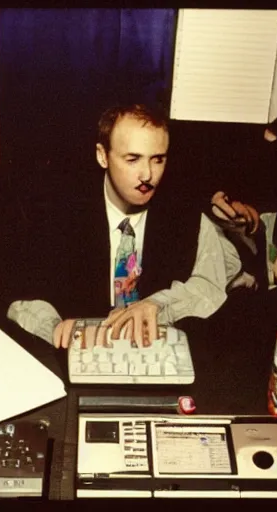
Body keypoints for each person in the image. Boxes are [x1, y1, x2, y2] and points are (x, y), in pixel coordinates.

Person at [47, 103, 241, 349]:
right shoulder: (61, 215)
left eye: (157, 160)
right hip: (82, 353)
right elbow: (21, 296)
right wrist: (53, 326)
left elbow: (209, 283)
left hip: (157, 352)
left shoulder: (187, 216)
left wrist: (158, 305)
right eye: (133, 159)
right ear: (102, 156)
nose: (147, 174)